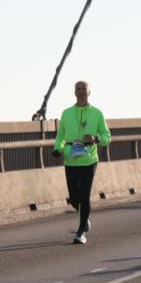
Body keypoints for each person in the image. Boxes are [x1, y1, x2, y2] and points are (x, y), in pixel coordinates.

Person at [52, 81, 111, 245]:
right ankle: (84, 218)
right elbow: (60, 136)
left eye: (83, 88)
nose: (80, 91)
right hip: (70, 158)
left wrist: (96, 139)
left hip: (89, 159)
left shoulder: (97, 113)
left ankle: (80, 232)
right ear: (74, 92)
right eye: (77, 88)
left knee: (84, 195)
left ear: (89, 91)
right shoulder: (66, 113)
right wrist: (57, 148)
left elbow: (107, 137)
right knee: (73, 198)